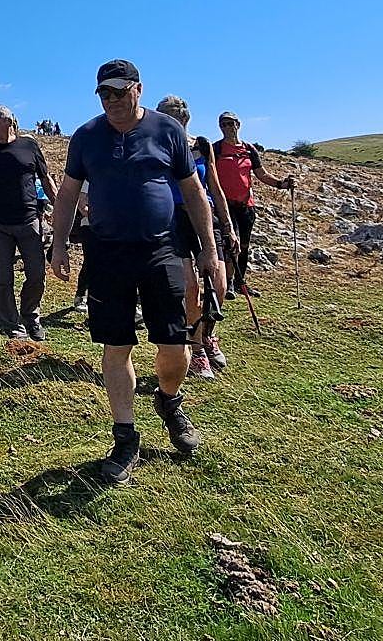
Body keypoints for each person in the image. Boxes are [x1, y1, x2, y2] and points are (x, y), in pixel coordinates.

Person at [50, 60, 225, 485]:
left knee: (174, 346)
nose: (111, 100)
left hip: (161, 249)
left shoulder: (167, 131)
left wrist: (210, 249)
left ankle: (169, 400)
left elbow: (192, 191)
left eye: (118, 91)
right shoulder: (86, 136)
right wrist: (58, 244)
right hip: (107, 253)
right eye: (104, 93)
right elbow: (68, 193)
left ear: (138, 89)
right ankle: (125, 437)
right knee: (116, 345)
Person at [155, 95, 238, 381]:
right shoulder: (157, 146)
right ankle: (196, 348)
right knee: (190, 288)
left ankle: (207, 335)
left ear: (186, 120)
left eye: (177, 119)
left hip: (204, 217)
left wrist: (228, 225)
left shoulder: (202, 145)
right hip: (172, 219)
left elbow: (214, 186)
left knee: (220, 283)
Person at [0, 105, 58, 341]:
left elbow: (45, 179)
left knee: (36, 274)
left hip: (29, 221)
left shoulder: (29, 146)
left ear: (9, 123)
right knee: (3, 276)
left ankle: (31, 316)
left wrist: (59, 207)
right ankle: (11, 323)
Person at [214, 111, 294, 297]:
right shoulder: (216, 149)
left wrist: (281, 184)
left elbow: (261, 174)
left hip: (246, 206)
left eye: (230, 123)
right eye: (223, 124)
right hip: (225, 206)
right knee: (231, 244)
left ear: (238, 125)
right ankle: (229, 283)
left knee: (244, 246)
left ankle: (240, 283)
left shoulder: (249, 150)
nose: (227, 127)